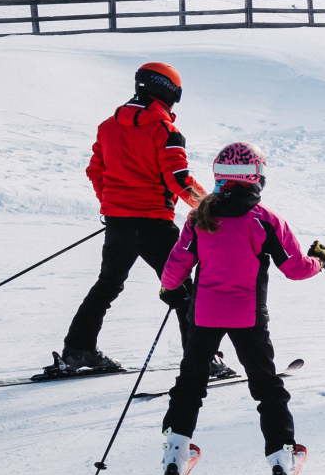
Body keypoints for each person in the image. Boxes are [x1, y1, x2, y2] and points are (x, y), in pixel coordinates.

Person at [155, 143, 325, 475]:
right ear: (256, 178)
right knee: (266, 386)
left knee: (190, 383)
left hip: (203, 315)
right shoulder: (264, 218)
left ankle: (174, 459)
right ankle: (281, 461)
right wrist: (318, 260)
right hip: (248, 316)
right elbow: (294, 268)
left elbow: (175, 267)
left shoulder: (200, 216)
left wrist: (169, 288)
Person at [51, 62, 226, 379]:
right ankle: (202, 359)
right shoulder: (166, 131)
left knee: (107, 286)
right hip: (154, 223)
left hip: (118, 221)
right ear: (170, 93)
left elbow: (95, 171)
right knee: (183, 288)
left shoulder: (108, 126)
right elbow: (178, 178)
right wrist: (210, 208)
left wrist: (113, 203)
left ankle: (78, 350)